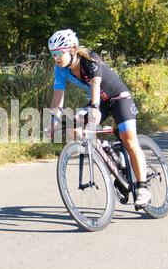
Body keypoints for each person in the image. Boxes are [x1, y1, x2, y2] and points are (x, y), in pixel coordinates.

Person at [47, 29, 151, 207]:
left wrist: (94, 107)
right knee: (76, 128)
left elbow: (96, 84)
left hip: (119, 98)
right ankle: (109, 155)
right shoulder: (60, 70)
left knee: (129, 139)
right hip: (101, 102)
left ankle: (142, 188)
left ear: (72, 49)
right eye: (52, 53)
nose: (55, 57)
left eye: (58, 53)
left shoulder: (89, 58)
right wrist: (52, 122)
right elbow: (58, 99)